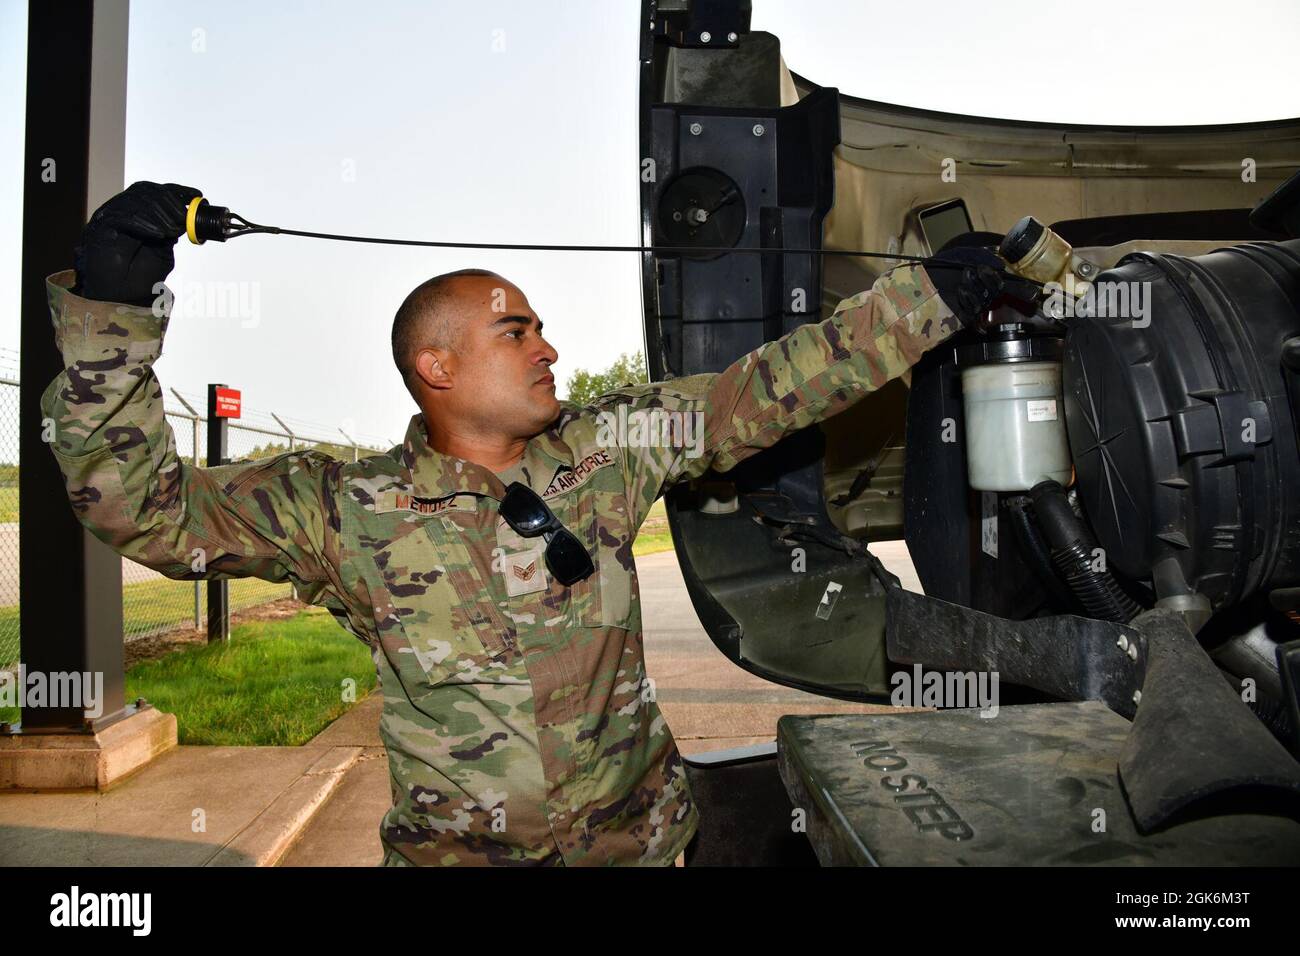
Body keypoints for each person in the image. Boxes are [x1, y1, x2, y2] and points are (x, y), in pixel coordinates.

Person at [41, 181, 1017, 866]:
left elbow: (761, 392)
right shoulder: (344, 509)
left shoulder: (611, 448)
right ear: (439, 368)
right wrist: (109, 319)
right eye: (517, 331)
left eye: (543, 327)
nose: (550, 346)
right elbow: (143, 506)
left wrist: (925, 301)